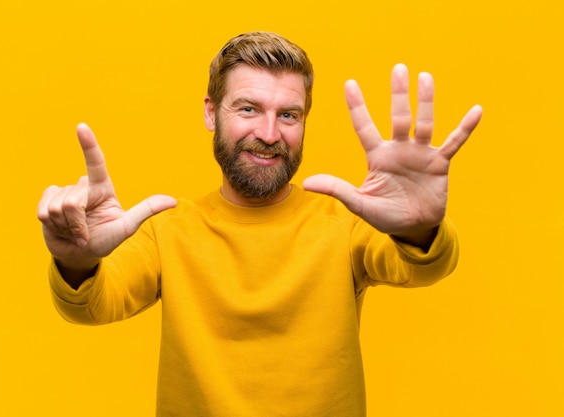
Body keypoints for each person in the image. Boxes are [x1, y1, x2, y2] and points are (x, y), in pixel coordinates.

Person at [38, 31, 482, 416]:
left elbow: (424, 267)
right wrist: (76, 261)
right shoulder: (168, 230)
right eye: (248, 109)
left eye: (288, 115)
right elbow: (92, 305)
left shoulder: (344, 222)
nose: (269, 134)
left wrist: (417, 228)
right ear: (211, 112)